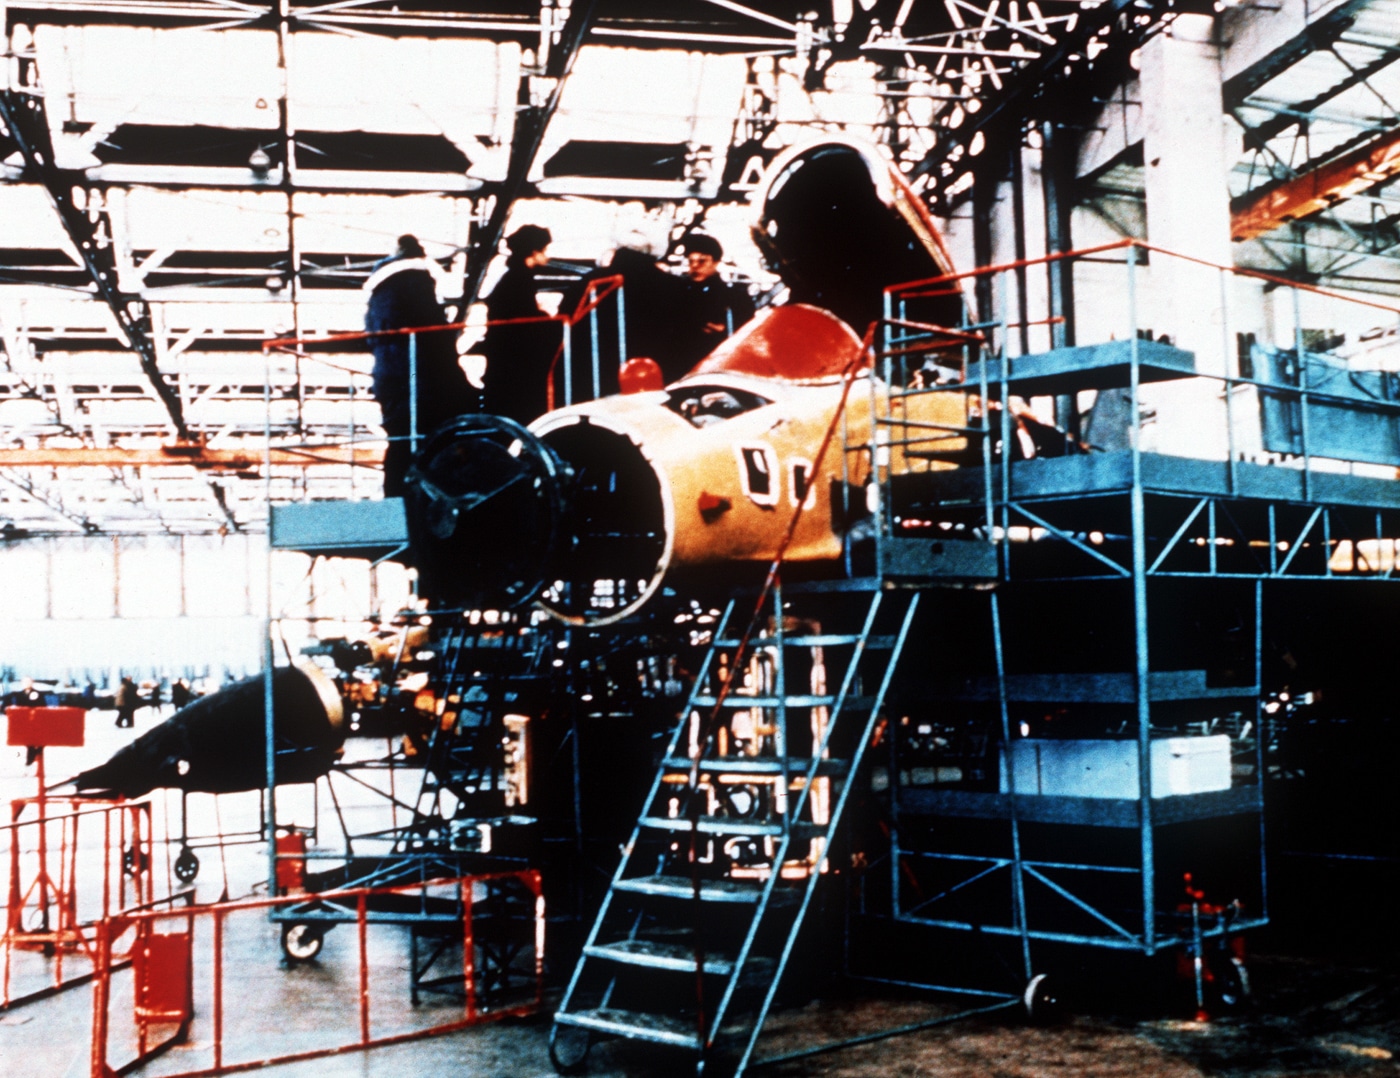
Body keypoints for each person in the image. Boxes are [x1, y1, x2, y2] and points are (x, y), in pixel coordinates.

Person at [364, 234, 474, 497]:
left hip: (390, 378)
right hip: (418, 378)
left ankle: (396, 498)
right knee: (436, 437)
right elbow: (432, 331)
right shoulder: (414, 279)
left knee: (400, 440)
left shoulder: (378, 293)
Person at [561, 231, 690, 393]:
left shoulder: (590, 281)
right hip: (653, 380)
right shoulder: (675, 286)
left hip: (593, 380)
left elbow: (566, 321)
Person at [480, 225, 561, 426]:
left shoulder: (514, 276)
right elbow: (524, 317)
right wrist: (549, 319)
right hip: (514, 361)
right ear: (534, 252)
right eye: (545, 250)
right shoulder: (521, 279)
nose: (548, 256)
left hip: (504, 357)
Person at [676, 233, 754, 370]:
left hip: (718, 363)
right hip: (683, 363)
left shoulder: (734, 296)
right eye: (691, 261)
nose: (695, 266)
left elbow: (746, 332)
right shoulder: (679, 293)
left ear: (716, 262)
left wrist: (723, 329)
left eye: (702, 261)